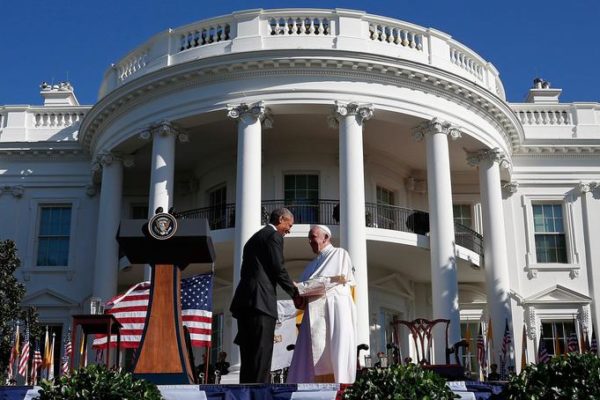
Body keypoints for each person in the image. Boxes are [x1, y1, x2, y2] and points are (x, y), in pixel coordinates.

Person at [230, 208, 299, 384]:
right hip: (261, 302)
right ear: (281, 219)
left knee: (248, 356)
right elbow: (278, 267)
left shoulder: (253, 239)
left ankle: (246, 392)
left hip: (245, 302)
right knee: (261, 354)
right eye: (289, 225)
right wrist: (294, 292)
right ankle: (260, 394)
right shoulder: (273, 236)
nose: (289, 230)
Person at [287, 225, 357, 384]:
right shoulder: (310, 266)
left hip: (334, 310)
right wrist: (297, 296)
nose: (310, 241)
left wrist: (300, 288)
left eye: (313, 237)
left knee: (336, 352)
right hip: (312, 316)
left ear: (326, 238)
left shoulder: (339, 253)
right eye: (309, 238)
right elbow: (302, 299)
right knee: (308, 359)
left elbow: (330, 281)